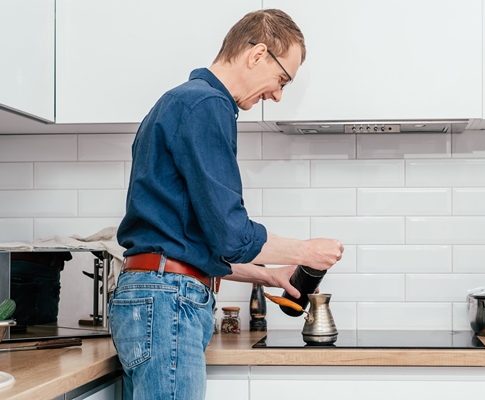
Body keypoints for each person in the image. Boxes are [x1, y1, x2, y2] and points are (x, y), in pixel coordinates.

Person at [108, 9, 344, 400]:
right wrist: (306, 250)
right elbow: (231, 234)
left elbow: (191, 242)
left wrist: (271, 276)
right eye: (282, 78)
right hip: (169, 302)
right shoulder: (206, 105)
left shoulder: (178, 104)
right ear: (257, 55)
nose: (278, 94)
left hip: (152, 296)